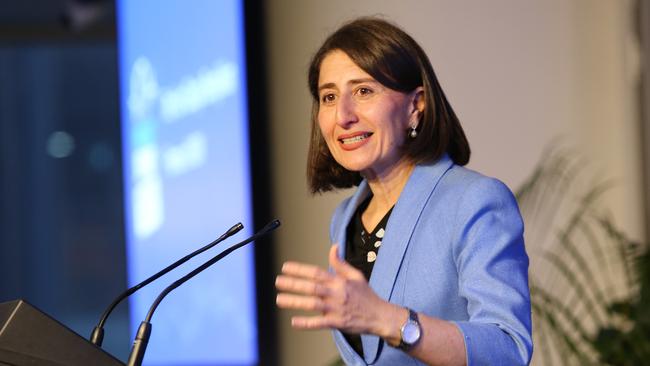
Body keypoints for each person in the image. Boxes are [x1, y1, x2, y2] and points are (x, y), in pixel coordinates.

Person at [275, 17, 532, 366]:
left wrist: (389, 320)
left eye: (363, 91)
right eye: (329, 97)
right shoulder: (345, 221)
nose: (343, 115)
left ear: (416, 105)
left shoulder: (474, 202)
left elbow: (508, 349)